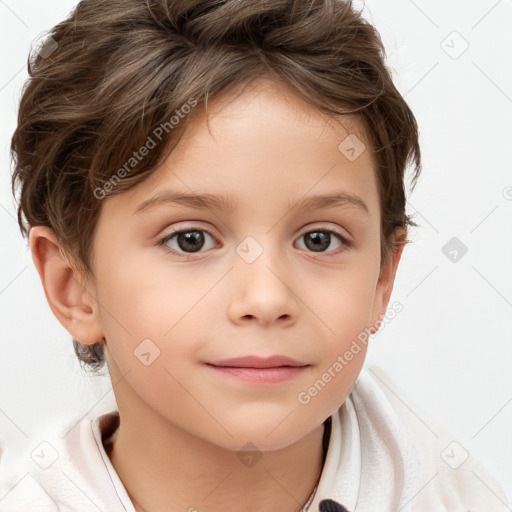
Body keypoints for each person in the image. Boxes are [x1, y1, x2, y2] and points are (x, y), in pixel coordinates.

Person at [0, 0, 508, 510]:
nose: (265, 299)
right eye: (190, 239)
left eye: (319, 239)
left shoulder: (455, 494)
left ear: (382, 279)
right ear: (74, 287)